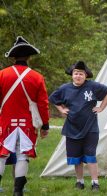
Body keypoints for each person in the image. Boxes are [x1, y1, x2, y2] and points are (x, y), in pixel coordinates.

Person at [49, 61, 107, 191]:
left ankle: (95, 183)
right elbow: (53, 98)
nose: (78, 76)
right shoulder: (65, 88)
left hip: (90, 128)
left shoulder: (93, 86)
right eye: (76, 73)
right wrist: (61, 109)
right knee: (76, 158)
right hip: (72, 128)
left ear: (85, 75)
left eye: (81, 74)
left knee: (90, 156)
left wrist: (101, 107)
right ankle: (80, 182)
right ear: (72, 75)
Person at [0, 36, 50, 196]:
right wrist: (45, 125)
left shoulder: (2, 75)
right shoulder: (37, 77)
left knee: (1, 155)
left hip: (5, 122)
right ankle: (17, 191)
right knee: (23, 156)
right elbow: (43, 104)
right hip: (27, 124)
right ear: (29, 57)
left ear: (13, 57)